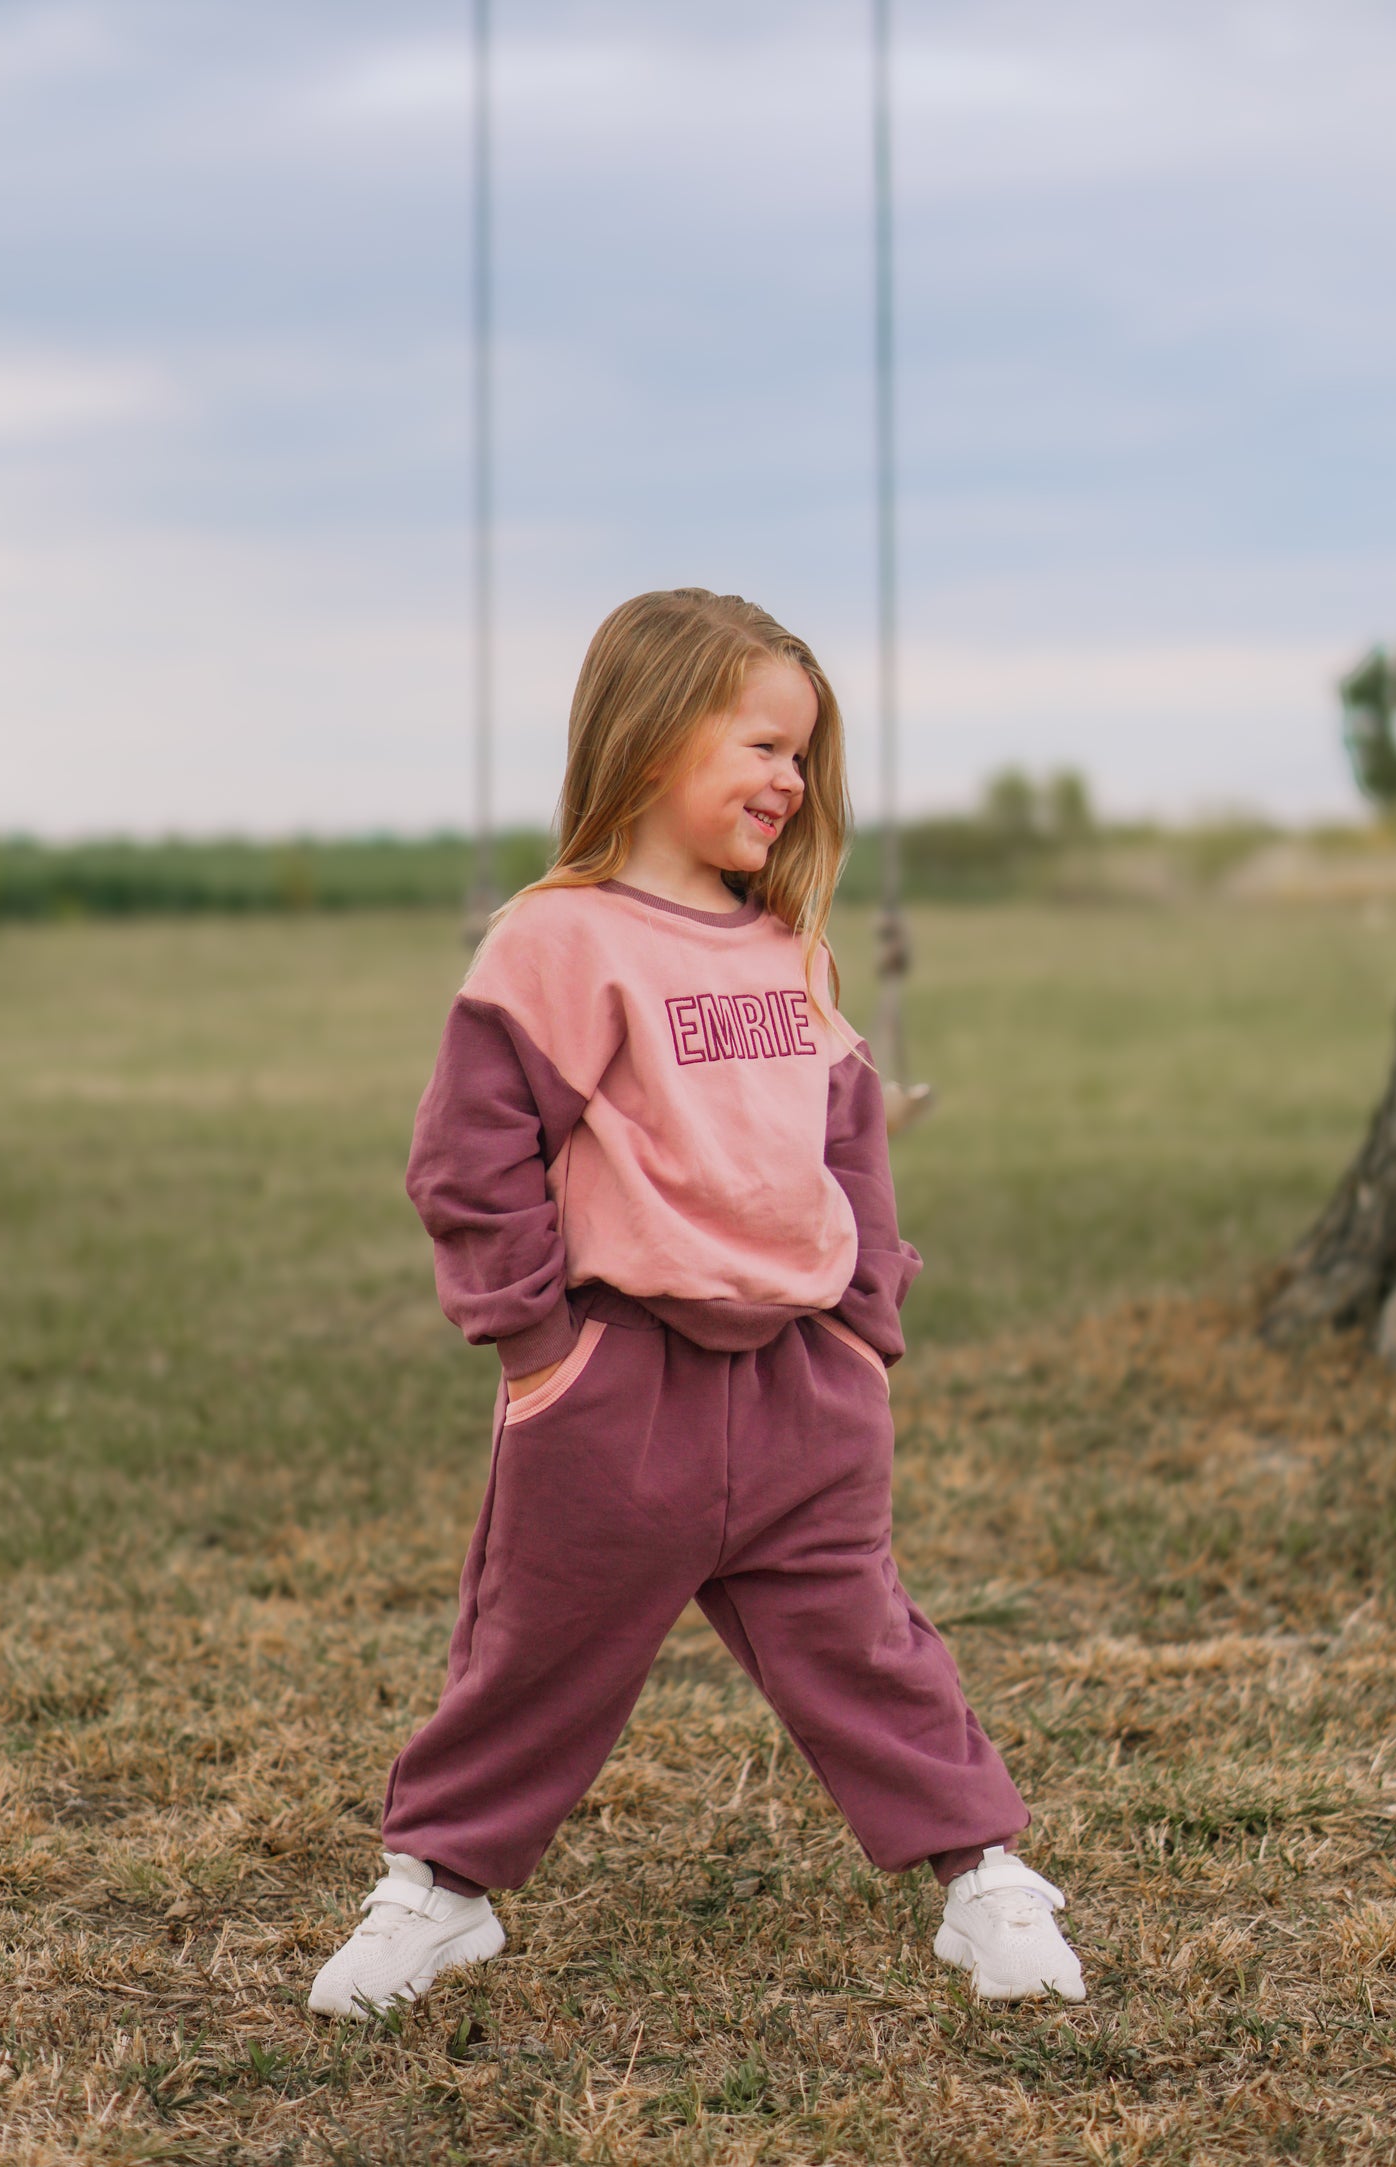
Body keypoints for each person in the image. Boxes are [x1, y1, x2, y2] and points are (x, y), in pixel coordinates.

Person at [308, 588, 1084, 2017]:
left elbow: (850, 1144)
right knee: (530, 1656)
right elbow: (469, 1157)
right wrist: (540, 1349)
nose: (792, 780)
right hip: (618, 1391)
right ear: (653, 736)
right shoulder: (556, 943)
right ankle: (438, 1895)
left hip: (802, 1387)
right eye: (763, 744)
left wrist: (862, 1325)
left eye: (805, 754)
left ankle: (981, 1879)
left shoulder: (790, 951)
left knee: (868, 1647)